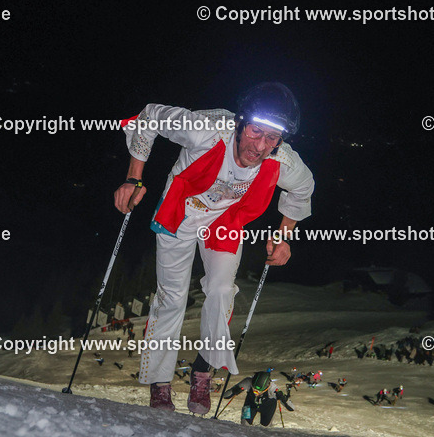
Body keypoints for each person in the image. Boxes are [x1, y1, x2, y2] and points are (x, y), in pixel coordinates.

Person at [115, 84, 314, 414]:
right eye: (255, 131)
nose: (260, 146)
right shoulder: (204, 131)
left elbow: (303, 188)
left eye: (272, 138)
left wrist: (283, 234)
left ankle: (203, 371)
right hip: (181, 211)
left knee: (222, 290)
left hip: (224, 220)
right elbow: (148, 116)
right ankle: (160, 383)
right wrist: (134, 178)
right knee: (172, 297)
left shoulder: (282, 158)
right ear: (241, 122)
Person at [222, 370, 294, 426]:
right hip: (250, 403)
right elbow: (226, 395)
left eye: (260, 391)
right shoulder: (247, 381)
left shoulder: (273, 388)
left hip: (268, 407)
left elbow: (291, 407)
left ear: (267, 387)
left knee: (265, 427)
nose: (256, 392)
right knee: (244, 425)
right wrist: (235, 390)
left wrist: (282, 397)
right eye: (254, 389)